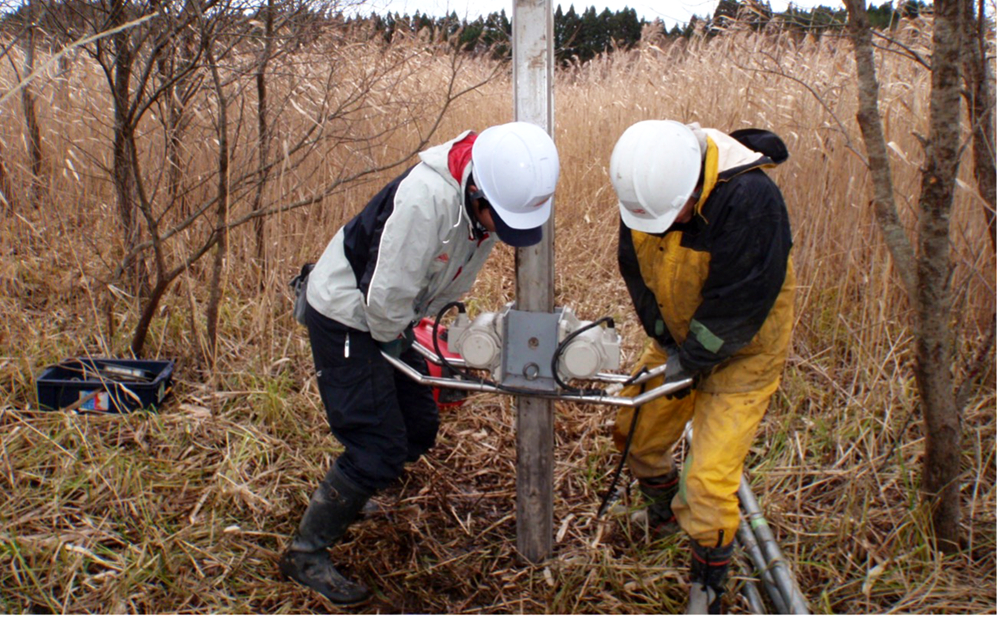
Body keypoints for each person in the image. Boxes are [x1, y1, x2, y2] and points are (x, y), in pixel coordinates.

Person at [280, 123, 559, 606]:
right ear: (477, 191)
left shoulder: (489, 200)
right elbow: (383, 296)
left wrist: (419, 342)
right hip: (349, 315)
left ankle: (358, 489)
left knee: (418, 426)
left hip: (392, 318)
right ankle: (305, 553)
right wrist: (393, 349)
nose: (500, 233)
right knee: (376, 444)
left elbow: (430, 286)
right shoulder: (425, 200)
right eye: (501, 221)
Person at [608, 119, 795, 614]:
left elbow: (741, 303)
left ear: (696, 185)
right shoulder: (647, 188)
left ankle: (706, 590)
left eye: (674, 216)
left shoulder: (751, 202)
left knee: (708, 484)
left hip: (743, 351)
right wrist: (664, 338)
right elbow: (637, 272)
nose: (664, 227)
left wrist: (690, 360)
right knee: (633, 431)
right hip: (681, 337)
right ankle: (664, 517)